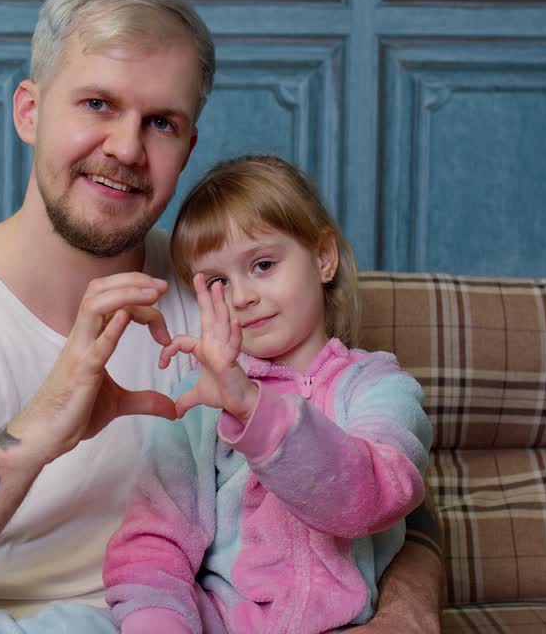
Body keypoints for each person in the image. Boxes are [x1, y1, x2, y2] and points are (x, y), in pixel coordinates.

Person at [0, 0, 443, 633]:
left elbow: (384, 494)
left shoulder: (222, 294)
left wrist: (406, 612)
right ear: (29, 112)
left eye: (160, 123)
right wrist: (32, 437)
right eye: (97, 104)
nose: (127, 148)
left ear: (187, 147)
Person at [105, 155, 433, 632]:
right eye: (217, 281)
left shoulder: (379, 388)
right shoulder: (199, 399)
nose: (240, 297)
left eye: (262, 265)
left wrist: (252, 408)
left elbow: (373, 494)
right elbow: (153, 544)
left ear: (323, 258)